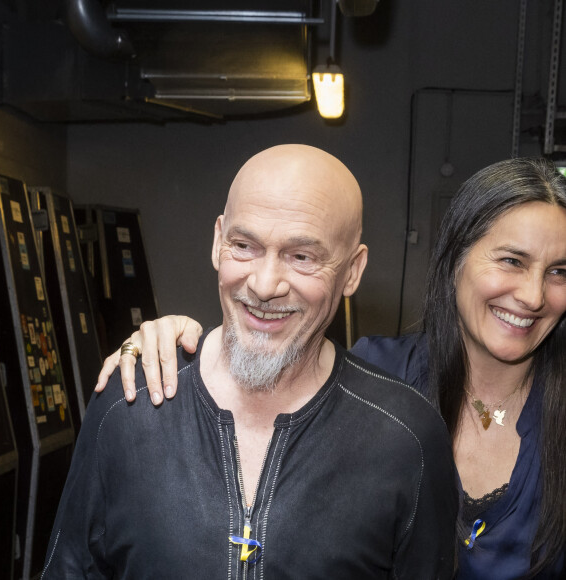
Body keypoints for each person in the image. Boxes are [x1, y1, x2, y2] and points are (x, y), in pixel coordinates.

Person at [98, 157, 566, 579]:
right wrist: (177, 345)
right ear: (455, 261)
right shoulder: (375, 377)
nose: (532, 295)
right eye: (511, 260)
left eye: (560, 271)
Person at [44, 145, 457, 579]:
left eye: (302, 257)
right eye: (244, 246)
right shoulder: (129, 403)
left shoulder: (407, 438)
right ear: (218, 241)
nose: (264, 285)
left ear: (352, 270)